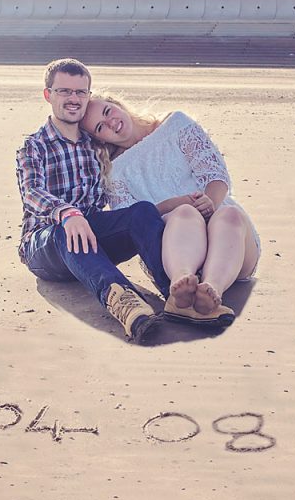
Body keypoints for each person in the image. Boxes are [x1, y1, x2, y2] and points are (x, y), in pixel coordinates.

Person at [15, 59, 171, 343]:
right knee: (67, 229)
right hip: (45, 245)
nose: (73, 99)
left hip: (92, 238)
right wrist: (66, 213)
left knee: (141, 213)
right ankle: (126, 305)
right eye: (64, 91)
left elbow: (135, 146)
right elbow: (31, 193)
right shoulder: (34, 146)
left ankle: (176, 293)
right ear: (48, 95)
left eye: (80, 92)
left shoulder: (96, 144)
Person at [81, 94, 260, 326]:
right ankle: (181, 284)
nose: (111, 123)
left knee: (229, 214)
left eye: (107, 111)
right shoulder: (114, 172)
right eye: (100, 127)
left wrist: (210, 202)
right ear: (98, 139)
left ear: (115, 103)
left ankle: (211, 288)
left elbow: (215, 173)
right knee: (183, 214)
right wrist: (176, 204)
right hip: (177, 247)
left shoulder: (176, 125)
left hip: (232, 242)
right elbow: (131, 220)